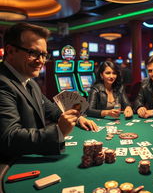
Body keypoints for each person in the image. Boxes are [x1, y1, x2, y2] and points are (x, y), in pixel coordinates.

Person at [0, 22, 98, 158]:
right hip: (11, 166)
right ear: (10, 51)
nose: (41, 61)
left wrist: (77, 118)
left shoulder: (30, 83)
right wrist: (58, 132)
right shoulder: (2, 83)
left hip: (31, 155)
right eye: (33, 53)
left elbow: (51, 110)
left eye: (44, 55)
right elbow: (9, 137)